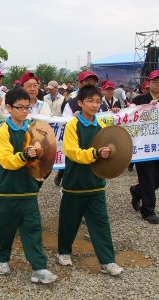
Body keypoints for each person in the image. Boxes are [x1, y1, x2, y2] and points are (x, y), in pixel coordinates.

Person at [57, 84, 124, 276]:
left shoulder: (102, 127)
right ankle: (63, 251)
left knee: (100, 222)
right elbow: (72, 151)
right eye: (90, 101)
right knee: (69, 220)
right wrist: (95, 153)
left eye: (97, 101)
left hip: (96, 183)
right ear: (80, 103)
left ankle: (107, 261)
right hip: (74, 183)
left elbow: (109, 153)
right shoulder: (73, 124)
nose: (95, 105)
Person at [0, 88, 57, 284]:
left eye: (27, 107)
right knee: (5, 230)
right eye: (19, 107)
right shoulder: (3, 132)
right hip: (7, 191)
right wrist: (24, 155)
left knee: (33, 228)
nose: (23, 111)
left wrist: (41, 171)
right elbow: (6, 161)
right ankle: (2, 259)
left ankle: (39, 267)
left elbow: (47, 153)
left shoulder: (33, 129)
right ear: (8, 108)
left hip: (29, 190)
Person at [129, 70, 159, 224]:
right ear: (148, 83)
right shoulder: (140, 100)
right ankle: (148, 210)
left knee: (156, 179)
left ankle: (137, 190)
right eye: (154, 81)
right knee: (147, 177)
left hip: (157, 145)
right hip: (143, 147)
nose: (157, 84)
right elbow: (128, 115)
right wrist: (147, 108)